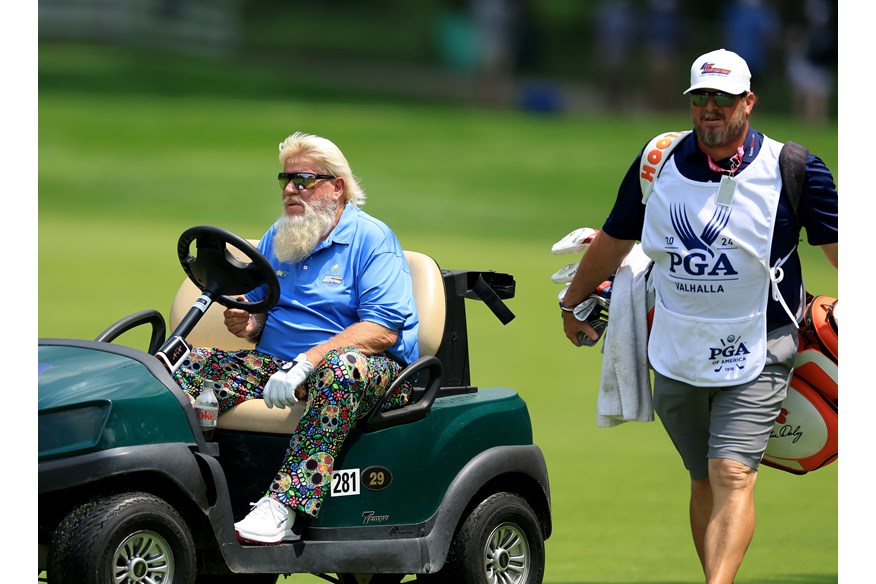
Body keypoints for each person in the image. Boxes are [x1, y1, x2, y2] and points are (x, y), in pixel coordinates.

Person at [560, 49, 837, 583]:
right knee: (702, 479)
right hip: (674, 348)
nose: (711, 108)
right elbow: (617, 237)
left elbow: (844, 253)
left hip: (762, 345)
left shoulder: (793, 168)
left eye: (724, 97)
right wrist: (573, 302)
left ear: (748, 102)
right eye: (701, 97)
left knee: (732, 472)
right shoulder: (657, 160)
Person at [173, 131, 419, 544]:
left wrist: (309, 360)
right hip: (283, 367)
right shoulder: (282, 235)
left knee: (341, 369)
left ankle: (284, 505)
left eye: (303, 180)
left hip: (370, 375)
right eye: (285, 179)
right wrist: (250, 325)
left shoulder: (372, 239)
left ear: (336, 187)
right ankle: (173, 487)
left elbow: (382, 329)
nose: (290, 189)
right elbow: (257, 310)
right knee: (185, 366)